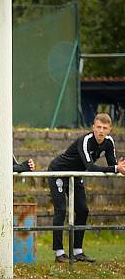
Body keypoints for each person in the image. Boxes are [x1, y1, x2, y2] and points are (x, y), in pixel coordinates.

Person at [47, 113, 125, 263]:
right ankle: (59, 253)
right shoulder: (85, 140)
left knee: (83, 210)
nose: (101, 131)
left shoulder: (109, 142)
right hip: (59, 171)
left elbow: (112, 164)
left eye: (105, 128)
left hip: (76, 175)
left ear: (110, 130)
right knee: (61, 210)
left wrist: (119, 167)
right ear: (93, 127)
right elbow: (90, 167)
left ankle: (78, 251)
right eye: (98, 127)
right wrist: (115, 168)